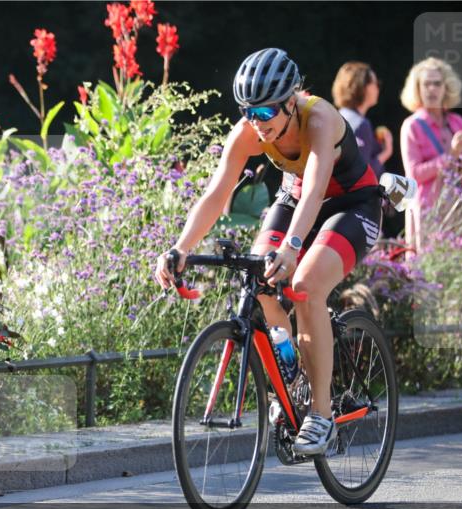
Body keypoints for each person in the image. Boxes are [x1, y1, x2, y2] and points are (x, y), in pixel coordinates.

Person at [154, 48, 383, 455]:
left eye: (265, 114)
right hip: (295, 199)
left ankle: (322, 414)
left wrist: (294, 246)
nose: (256, 125)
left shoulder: (320, 118)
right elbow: (215, 193)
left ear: (290, 102)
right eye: (248, 113)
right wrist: (180, 247)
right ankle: (292, 372)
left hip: (351, 204)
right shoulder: (248, 131)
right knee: (257, 278)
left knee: (304, 285)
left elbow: (315, 188)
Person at [399, 57, 462, 254]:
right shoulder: (412, 126)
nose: (432, 89)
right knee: (430, 274)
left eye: (437, 83)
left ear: (446, 88)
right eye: (426, 84)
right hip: (428, 212)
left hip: (456, 209)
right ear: (417, 89)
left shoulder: (456, 121)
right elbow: (414, 175)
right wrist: (451, 154)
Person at [332, 62, 392, 178]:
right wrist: (386, 153)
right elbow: (363, 173)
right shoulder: (361, 124)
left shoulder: (338, 116)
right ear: (363, 87)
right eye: (376, 83)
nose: (378, 88)